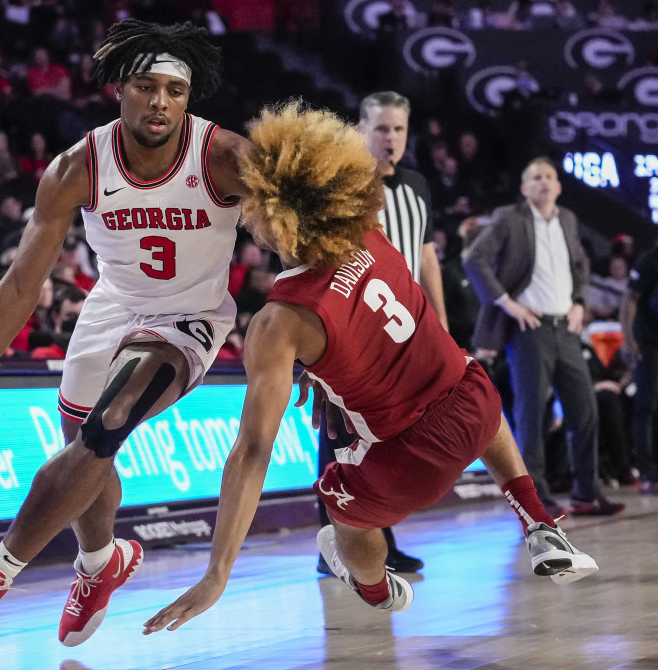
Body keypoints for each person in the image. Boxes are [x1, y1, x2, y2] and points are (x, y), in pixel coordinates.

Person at [142, 103, 599, 635]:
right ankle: (538, 521)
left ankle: (378, 590)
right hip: (477, 407)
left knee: (338, 506)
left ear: (272, 217)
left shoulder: (279, 323)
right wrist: (322, 370)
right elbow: (356, 313)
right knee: (466, 377)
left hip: (414, 458)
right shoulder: (371, 234)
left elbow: (252, 451)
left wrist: (217, 573)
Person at [0, 20, 246, 650]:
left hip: (190, 314)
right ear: (119, 88)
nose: (160, 102)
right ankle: (100, 564)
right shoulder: (76, 167)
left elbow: (293, 242)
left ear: (189, 97)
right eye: (147, 86)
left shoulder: (224, 156)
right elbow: (19, 287)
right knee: (87, 451)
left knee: (107, 423)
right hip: (113, 306)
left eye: (175, 90)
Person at [311, 91, 447, 575]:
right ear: (361, 130)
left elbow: (426, 255)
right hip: (353, 332)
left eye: (399, 130)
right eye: (382, 129)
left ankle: (381, 539)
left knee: (386, 441)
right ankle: (334, 546)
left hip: (405, 330)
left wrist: (440, 324)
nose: (391, 138)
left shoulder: (416, 186)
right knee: (341, 438)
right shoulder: (341, 184)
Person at [463, 158, 624, 516]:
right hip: (529, 331)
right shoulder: (510, 217)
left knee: (585, 409)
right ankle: (534, 496)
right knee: (531, 412)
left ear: (559, 185)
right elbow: (475, 260)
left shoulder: (566, 218)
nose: (544, 183)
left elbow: (579, 264)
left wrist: (580, 302)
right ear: (524, 188)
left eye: (549, 177)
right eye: (535, 177)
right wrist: (507, 303)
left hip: (566, 327)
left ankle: (586, 492)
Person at [615, 241, 658, 494]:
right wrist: (629, 340)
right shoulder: (648, 260)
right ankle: (646, 468)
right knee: (647, 404)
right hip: (649, 341)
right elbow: (629, 301)